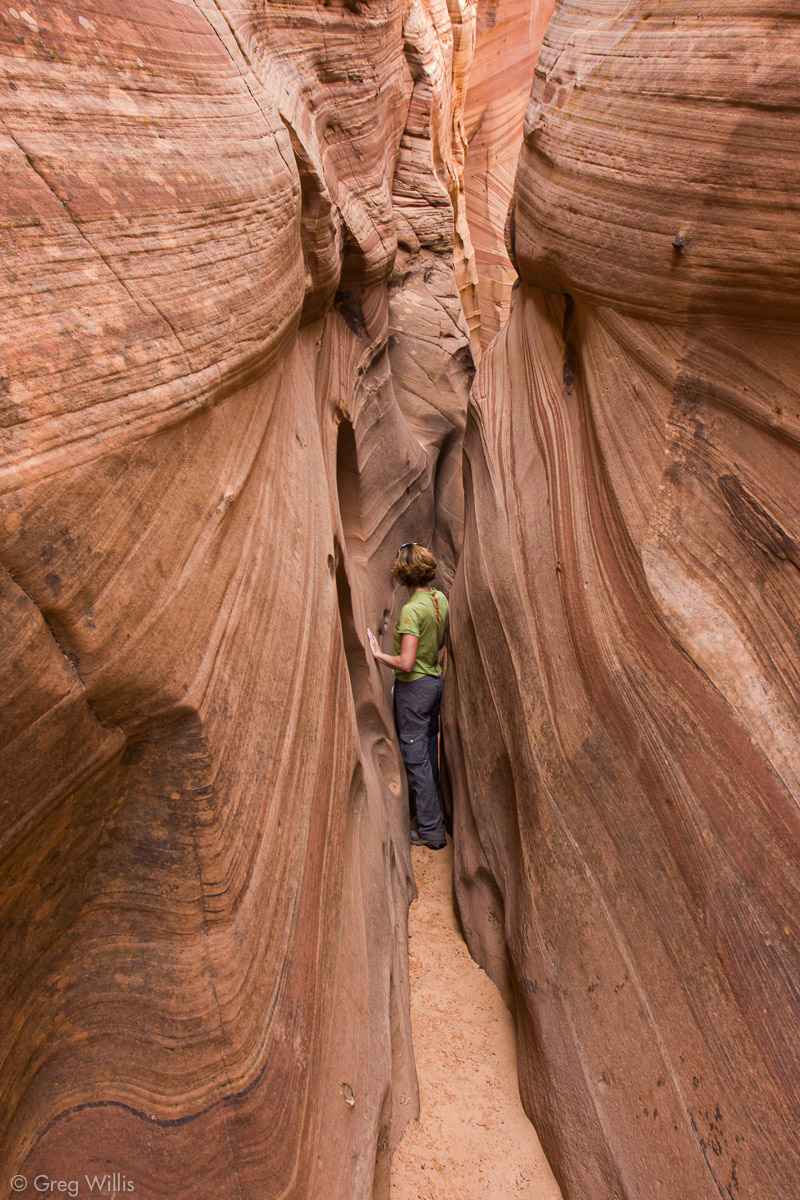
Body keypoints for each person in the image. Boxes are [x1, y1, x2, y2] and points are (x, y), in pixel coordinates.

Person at [368, 542, 449, 850]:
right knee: (429, 754)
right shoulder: (439, 599)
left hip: (413, 689)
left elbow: (405, 662)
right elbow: (439, 646)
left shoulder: (412, 610)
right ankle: (433, 819)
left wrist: (378, 654)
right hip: (433, 684)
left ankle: (430, 831)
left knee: (416, 760)